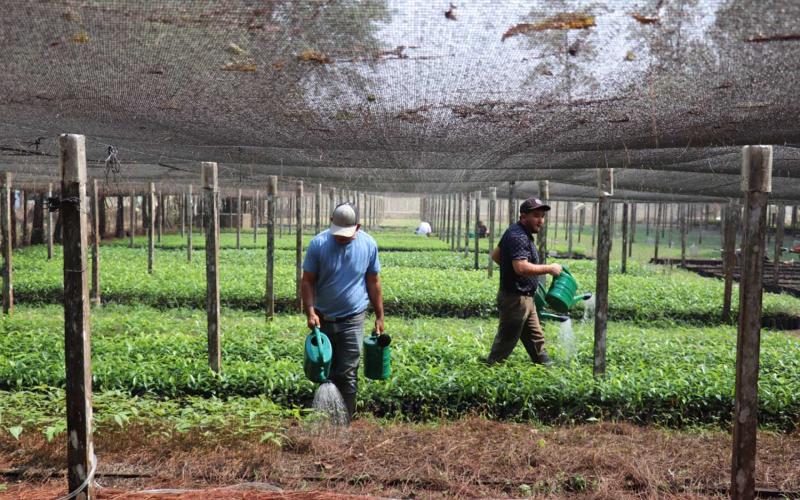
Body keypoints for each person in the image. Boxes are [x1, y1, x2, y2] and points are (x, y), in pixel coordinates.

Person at [301, 202, 385, 421]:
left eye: (346, 234)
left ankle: (346, 420)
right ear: (331, 223)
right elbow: (307, 281)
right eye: (338, 233)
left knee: (348, 372)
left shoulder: (368, 245)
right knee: (323, 370)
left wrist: (379, 315)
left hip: (353, 319)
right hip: (323, 318)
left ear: (358, 227)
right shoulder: (318, 244)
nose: (341, 238)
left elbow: (373, 282)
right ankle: (324, 418)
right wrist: (310, 311)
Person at [484, 197, 562, 366]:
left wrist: (511, 270)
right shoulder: (518, 236)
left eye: (542, 216)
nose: (540, 220)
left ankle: (547, 370)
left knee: (536, 340)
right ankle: (488, 374)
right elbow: (521, 267)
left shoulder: (517, 232)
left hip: (525, 298)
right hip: (515, 299)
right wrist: (549, 268)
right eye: (536, 215)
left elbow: (497, 255)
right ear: (523, 216)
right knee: (504, 343)